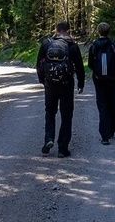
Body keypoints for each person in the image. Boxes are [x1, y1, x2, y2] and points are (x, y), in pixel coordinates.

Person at [36, 20, 85, 158]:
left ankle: (49, 139)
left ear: (56, 30)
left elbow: (39, 64)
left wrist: (42, 80)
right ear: (68, 30)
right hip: (66, 84)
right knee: (66, 115)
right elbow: (80, 67)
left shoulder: (47, 43)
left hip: (50, 84)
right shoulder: (72, 46)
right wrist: (81, 83)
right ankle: (63, 148)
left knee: (50, 112)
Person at [87, 22, 115, 145]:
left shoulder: (94, 46)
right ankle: (113, 128)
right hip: (112, 79)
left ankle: (104, 136)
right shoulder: (114, 46)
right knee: (111, 102)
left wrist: (97, 73)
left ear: (98, 32)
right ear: (109, 32)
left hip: (99, 80)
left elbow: (90, 65)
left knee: (102, 105)